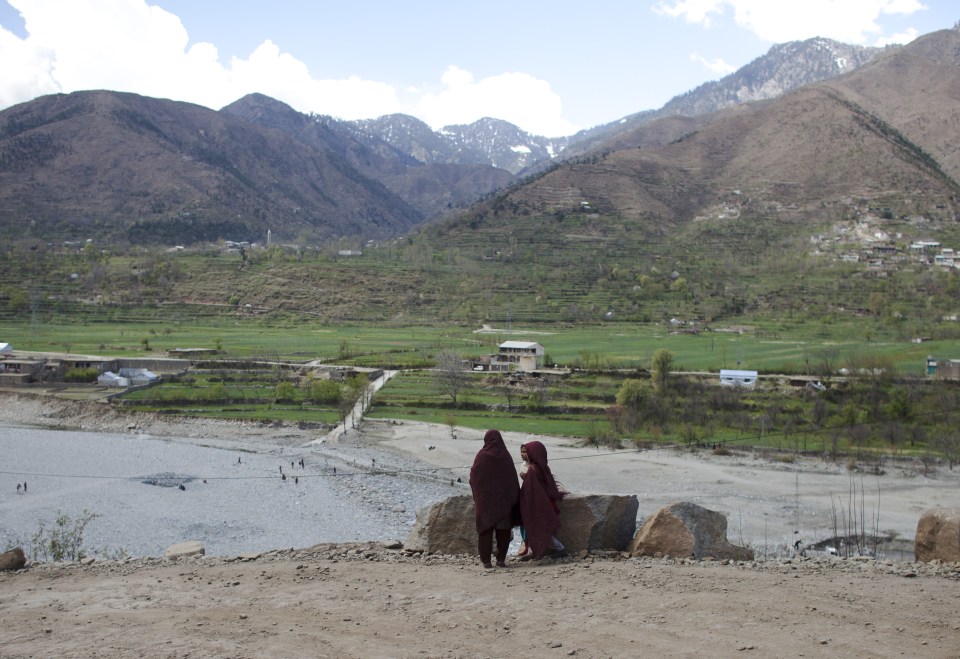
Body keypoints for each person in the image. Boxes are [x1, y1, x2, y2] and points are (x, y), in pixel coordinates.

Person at [469, 429, 520, 568]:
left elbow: (474, 477)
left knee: (485, 531)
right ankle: (501, 560)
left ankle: (486, 562)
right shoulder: (505, 456)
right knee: (503, 531)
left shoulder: (481, 456)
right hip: (503, 504)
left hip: (485, 503)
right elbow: (512, 479)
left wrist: (479, 496)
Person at [518, 441, 567, 560]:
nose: (523, 454)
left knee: (542, 529)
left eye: (526, 452)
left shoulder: (533, 470)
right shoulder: (542, 467)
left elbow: (530, 490)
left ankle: (560, 549)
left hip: (539, 505)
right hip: (544, 503)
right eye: (522, 452)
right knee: (536, 528)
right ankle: (532, 551)